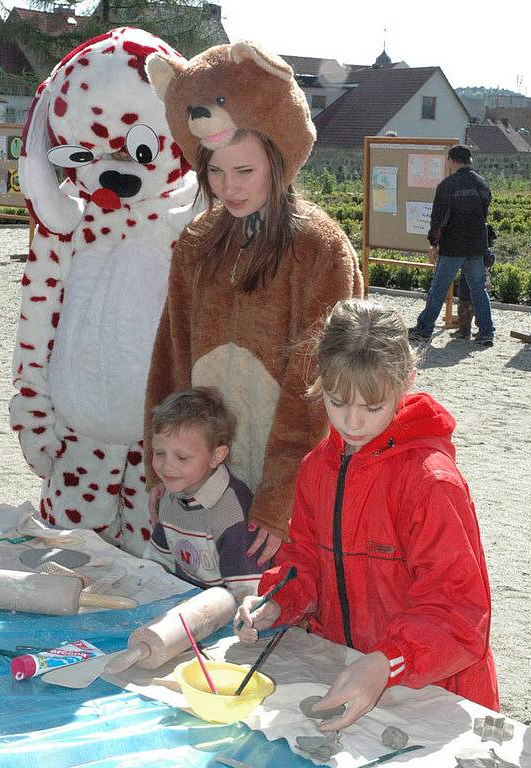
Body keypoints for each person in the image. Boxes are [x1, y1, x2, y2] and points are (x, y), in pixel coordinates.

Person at [143, 42, 363, 566]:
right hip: (202, 476)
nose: (228, 188)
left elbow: (320, 384)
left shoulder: (319, 248)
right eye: (215, 172)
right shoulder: (196, 242)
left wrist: (280, 496)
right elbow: (170, 357)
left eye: (244, 171)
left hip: (285, 482)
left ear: (278, 158)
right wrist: (165, 466)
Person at [235, 298, 499, 732]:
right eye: (337, 402)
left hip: (433, 690)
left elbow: (460, 614)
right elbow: (305, 561)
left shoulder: (431, 483)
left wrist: (388, 661)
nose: (352, 422)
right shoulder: (317, 466)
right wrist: (277, 601)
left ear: (406, 382)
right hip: (349, 671)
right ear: (320, 382)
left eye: (372, 407)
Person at [147, 387, 263, 599]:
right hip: (181, 605)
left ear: (216, 456)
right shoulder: (170, 495)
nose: (166, 467)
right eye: (160, 453)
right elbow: (157, 564)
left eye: (182, 458)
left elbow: (247, 596)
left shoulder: (232, 514)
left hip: (223, 617)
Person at [409, 144, 495, 346]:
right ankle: (486, 332)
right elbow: (484, 214)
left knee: (438, 289)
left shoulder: (447, 185)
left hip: (453, 246)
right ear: (469, 161)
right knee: (478, 289)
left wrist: (434, 244)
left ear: (451, 161)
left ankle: (423, 329)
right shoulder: (481, 183)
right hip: (477, 246)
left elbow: (438, 219)